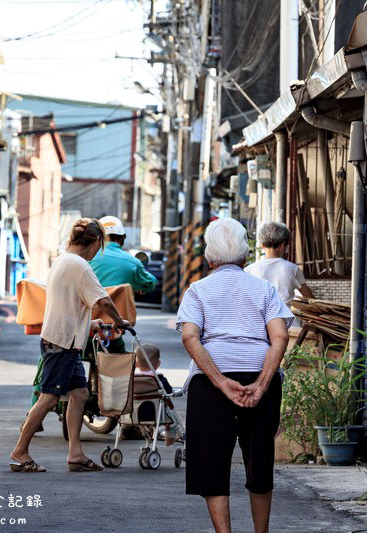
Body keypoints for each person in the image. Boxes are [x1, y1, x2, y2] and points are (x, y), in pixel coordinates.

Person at [177, 217, 293, 533]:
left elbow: (190, 337)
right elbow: (280, 337)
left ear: (210, 258)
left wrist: (221, 382)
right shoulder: (265, 288)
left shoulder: (197, 290)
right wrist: (261, 384)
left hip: (209, 384)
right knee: (259, 460)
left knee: (212, 462)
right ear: (244, 256)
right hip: (260, 380)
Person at [10, 218, 130, 473]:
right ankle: (20, 451)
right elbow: (104, 300)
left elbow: (68, 306)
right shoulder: (80, 266)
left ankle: (75, 453)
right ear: (97, 241)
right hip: (62, 343)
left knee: (80, 394)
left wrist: (90, 324)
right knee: (48, 399)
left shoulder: (64, 260)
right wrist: (120, 321)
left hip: (65, 341)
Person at [89, 215, 157, 354]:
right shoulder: (132, 262)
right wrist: (135, 285)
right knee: (118, 369)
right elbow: (150, 283)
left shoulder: (87, 257)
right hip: (113, 329)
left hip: (84, 325)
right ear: (121, 238)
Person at [245, 222, 314, 305]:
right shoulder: (293, 269)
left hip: (258, 317)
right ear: (283, 244)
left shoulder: (249, 270)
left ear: (262, 245)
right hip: (285, 316)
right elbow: (310, 299)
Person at [134, 343, 176, 446]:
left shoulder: (132, 378)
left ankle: (148, 430)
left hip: (134, 413)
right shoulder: (159, 380)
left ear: (136, 364)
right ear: (158, 364)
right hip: (156, 414)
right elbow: (169, 393)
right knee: (172, 417)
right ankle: (169, 437)